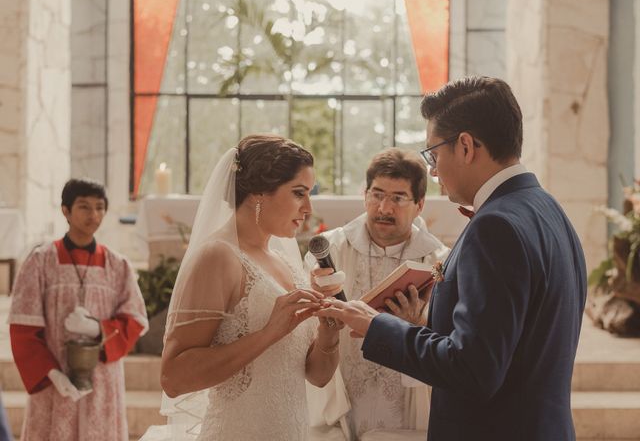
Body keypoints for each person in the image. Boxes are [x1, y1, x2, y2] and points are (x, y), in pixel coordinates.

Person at [315, 76, 587, 441]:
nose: (433, 170)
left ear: (465, 146)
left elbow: (473, 370)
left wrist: (376, 325)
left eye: (434, 153)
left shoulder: (496, 227)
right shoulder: (547, 208)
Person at [160, 134, 342, 440]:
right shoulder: (218, 256)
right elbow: (173, 378)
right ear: (259, 192)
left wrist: (329, 330)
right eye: (299, 193)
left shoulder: (285, 262)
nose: (308, 208)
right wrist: (270, 332)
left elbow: (318, 375)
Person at [305, 148, 449, 438]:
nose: (384, 208)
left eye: (398, 198)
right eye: (377, 194)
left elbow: (452, 347)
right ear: (365, 194)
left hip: (407, 413)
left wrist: (418, 325)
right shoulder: (330, 250)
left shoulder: (439, 261)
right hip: (341, 404)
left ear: (419, 205)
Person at [8, 178, 149, 440]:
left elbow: (136, 319)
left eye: (99, 207)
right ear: (65, 210)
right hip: (56, 379)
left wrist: (99, 328)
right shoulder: (41, 261)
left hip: (102, 380)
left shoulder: (117, 265)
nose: (93, 215)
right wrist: (52, 374)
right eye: (84, 207)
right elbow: (22, 328)